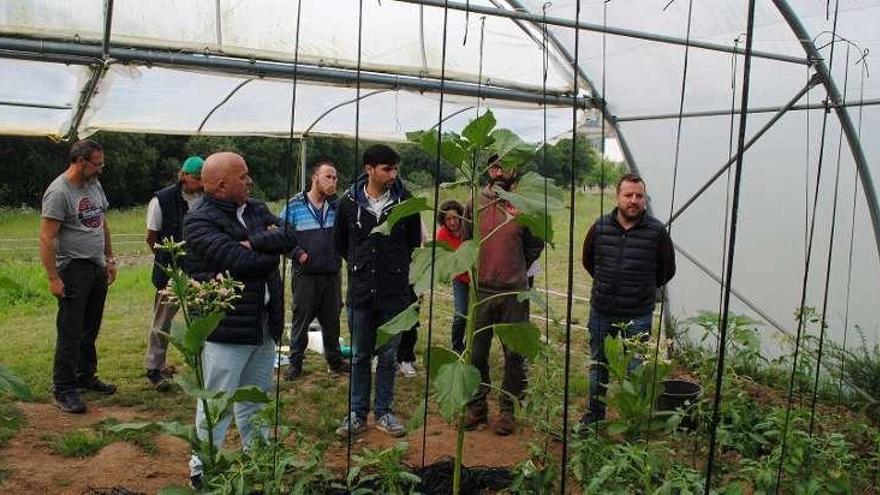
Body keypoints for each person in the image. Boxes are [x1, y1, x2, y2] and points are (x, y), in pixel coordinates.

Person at [183, 152, 295, 485]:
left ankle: (256, 459)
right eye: (243, 176)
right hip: (226, 327)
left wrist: (254, 242)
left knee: (254, 397)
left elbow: (289, 236)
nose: (250, 181)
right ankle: (203, 469)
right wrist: (266, 252)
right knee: (216, 402)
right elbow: (239, 262)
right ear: (221, 185)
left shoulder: (256, 208)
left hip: (262, 323)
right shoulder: (198, 220)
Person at [333, 144, 422, 438]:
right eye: (387, 169)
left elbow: (411, 242)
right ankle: (357, 413)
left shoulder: (405, 202)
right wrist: (363, 267)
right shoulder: (347, 203)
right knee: (359, 355)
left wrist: (391, 267)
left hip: (394, 292)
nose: (393, 174)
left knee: (388, 355)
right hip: (360, 292)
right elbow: (341, 244)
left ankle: (384, 412)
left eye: (395, 168)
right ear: (368, 170)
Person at [580, 173, 676, 426]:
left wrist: (640, 289)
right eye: (628, 195)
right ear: (618, 197)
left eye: (639, 196)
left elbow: (667, 269)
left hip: (638, 314)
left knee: (635, 368)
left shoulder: (656, 232)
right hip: (602, 310)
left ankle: (632, 421)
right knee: (598, 364)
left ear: (644, 199)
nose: (633, 200)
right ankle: (595, 416)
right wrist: (607, 283)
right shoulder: (600, 227)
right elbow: (588, 261)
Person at [464, 156, 544, 436]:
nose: (499, 171)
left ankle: (508, 410)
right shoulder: (476, 202)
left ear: (515, 170)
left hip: (513, 291)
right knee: (476, 352)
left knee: (514, 354)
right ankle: (476, 406)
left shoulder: (523, 203)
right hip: (482, 290)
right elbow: (466, 240)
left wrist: (514, 265)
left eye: (505, 166)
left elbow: (536, 243)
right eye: (495, 167)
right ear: (489, 170)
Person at [39, 139, 117, 414]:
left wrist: (109, 258)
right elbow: (47, 237)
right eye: (97, 164)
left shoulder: (92, 184)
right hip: (72, 269)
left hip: (95, 266)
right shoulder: (59, 191)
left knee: (90, 328)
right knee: (70, 331)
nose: (100, 169)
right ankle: (64, 389)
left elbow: (101, 221)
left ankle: (85, 376)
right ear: (80, 161)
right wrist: (53, 277)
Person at [278, 159, 349, 380]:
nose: (333, 181)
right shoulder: (294, 205)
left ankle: (335, 361)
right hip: (305, 275)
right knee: (301, 319)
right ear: (314, 178)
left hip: (331, 273)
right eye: (328, 176)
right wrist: (298, 254)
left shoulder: (337, 206)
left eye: (335, 177)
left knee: (332, 320)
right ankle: (295, 363)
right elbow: (280, 237)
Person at [143, 156, 204, 390]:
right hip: (171, 269)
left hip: (200, 270)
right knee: (163, 320)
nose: (200, 183)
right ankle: (154, 367)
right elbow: (152, 237)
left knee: (200, 319)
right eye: (197, 178)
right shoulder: (161, 200)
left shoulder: (208, 198)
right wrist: (166, 261)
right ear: (184, 176)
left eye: (203, 178)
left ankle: (201, 365)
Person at [435, 200, 469, 353]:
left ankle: (472, 347)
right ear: (443, 220)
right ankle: (457, 347)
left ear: (461, 216)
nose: (453, 222)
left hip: (477, 278)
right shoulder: (442, 234)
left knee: (478, 317)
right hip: (460, 278)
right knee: (461, 314)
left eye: (455, 218)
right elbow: (441, 258)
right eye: (448, 219)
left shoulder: (469, 229)